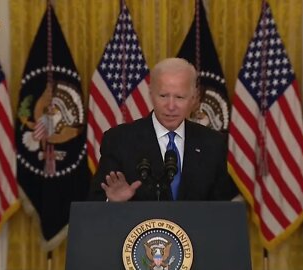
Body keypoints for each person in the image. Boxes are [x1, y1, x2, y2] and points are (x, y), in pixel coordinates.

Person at [88, 58, 238, 201]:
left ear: (193, 99)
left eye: (179, 97)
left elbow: (220, 211)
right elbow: (94, 204)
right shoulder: (119, 140)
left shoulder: (212, 144)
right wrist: (112, 202)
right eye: (163, 96)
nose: (171, 106)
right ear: (151, 95)